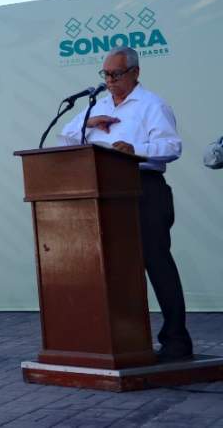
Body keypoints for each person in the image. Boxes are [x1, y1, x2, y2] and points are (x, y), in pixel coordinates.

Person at [58, 45, 193, 361]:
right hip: (105, 194)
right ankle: (124, 340)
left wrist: (135, 150)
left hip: (144, 190)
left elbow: (172, 147)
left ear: (135, 72)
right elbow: (65, 136)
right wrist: (89, 123)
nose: (109, 80)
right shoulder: (99, 105)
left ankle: (177, 341)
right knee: (115, 268)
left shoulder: (152, 105)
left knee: (156, 263)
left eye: (116, 74)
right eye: (105, 74)